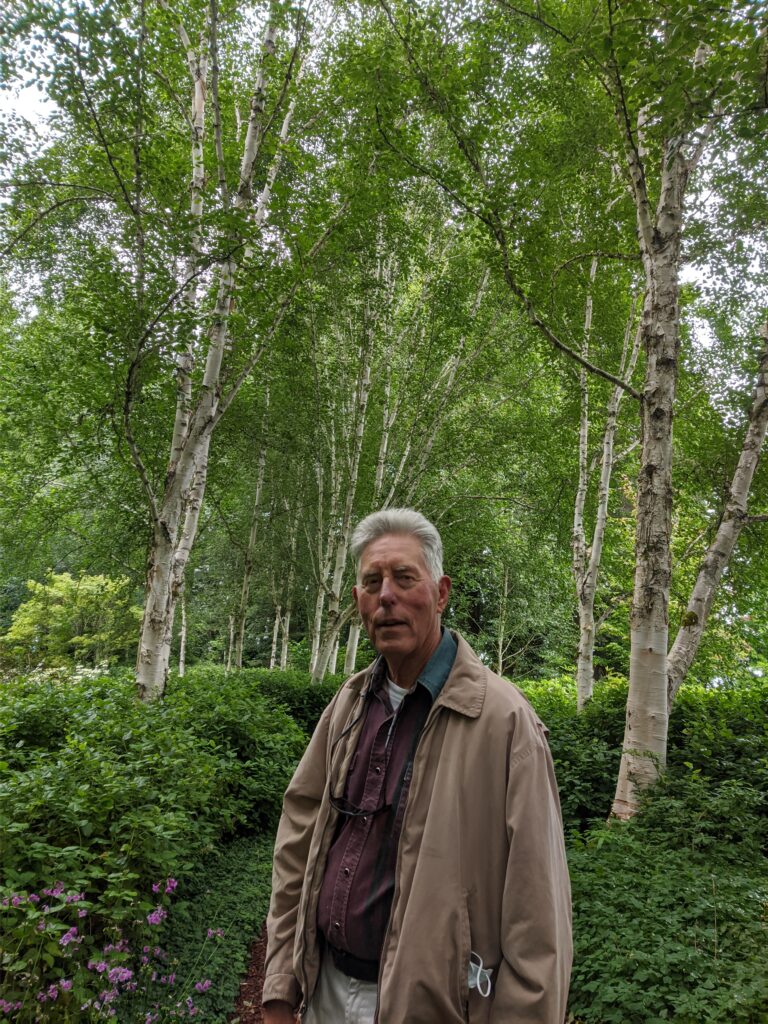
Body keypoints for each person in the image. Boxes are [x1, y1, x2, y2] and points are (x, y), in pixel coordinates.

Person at [262, 508, 572, 1024]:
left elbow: (538, 918)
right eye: (371, 582)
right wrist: (279, 986)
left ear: (441, 593)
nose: (386, 596)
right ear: (359, 601)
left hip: (433, 1008)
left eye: (405, 578)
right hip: (325, 992)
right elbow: (298, 841)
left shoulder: (504, 722)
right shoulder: (350, 702)